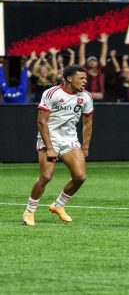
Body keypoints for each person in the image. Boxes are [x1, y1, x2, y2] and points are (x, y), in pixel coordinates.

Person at [22, 65, 94, 226]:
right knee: (46, 176)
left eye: (86, 78)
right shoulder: (52, 93)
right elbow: (41, 121)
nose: (85, 81)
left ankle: (58, 205)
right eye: (81, 78)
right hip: (50, 138)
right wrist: (49, 147)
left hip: (69, 140)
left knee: (80, 177)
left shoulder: (86, 97)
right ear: (69, 78)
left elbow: (87, 123)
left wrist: (85, 147)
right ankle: (29, 211)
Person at [79, 33, 108, 101]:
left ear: (97, 63)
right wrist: (83, 44)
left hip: (98, 99)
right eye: (90, 61)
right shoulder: (84, 70)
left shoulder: (101, 69)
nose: (92, 62)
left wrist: (104, 43)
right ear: (87, 63)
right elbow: (81, 56)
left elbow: (103, 55)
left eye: (94, 61)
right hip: (86, 100)